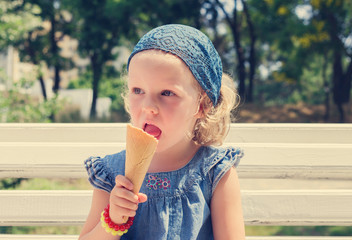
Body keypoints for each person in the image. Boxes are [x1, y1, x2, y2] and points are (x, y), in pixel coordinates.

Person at [79, 24, 245, 240]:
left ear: (201, 105)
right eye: (138, 90)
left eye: (167, 93)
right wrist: (113, 219)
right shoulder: (112, 174)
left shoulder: (215, 172)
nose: (148, 106)